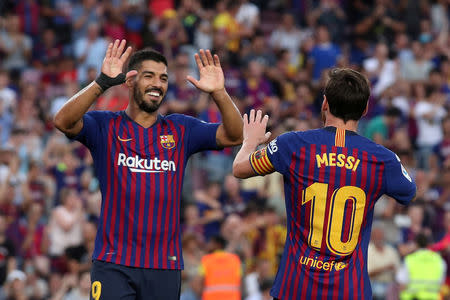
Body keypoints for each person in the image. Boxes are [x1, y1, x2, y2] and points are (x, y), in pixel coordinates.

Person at [53, 39, 243, 300]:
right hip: (113, 262)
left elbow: (234, 136)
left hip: (164, 266)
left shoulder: (181, 129)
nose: (157, 83)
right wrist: (102, 83)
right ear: (130, 81)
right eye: (149, 76)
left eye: (163, 78)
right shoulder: (104, 126)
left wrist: (219, 93)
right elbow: (62, 121)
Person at [233, 68, 417, 299]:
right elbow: (409, 192)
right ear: (365, 109)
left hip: (295, 289)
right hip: (350, 291)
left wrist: (250, 141)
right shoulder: (381, 159)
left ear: (325, 103)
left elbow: (239, 168)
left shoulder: (293, 144)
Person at [397, 233, 446, 300]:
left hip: (413, 297)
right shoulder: (439, 260)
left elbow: (402, 285)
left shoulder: (409, 260)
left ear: (416, 244)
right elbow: (441, 283)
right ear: (428, 244)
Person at [198, 235, 241, 300]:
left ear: (218, 245)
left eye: (211, 243)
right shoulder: (235, 259)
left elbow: (201, 280)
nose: (208, 245)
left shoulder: (206, 260)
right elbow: (240, 280)